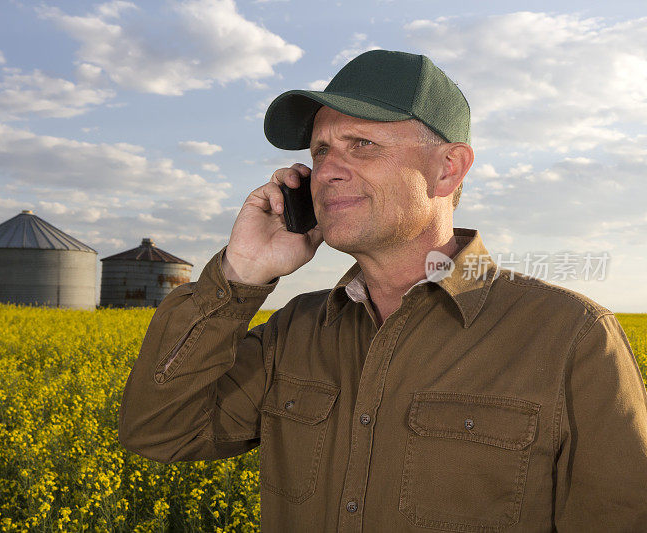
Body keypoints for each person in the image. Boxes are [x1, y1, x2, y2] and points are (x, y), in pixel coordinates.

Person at [118, 50, 647, 531]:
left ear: (447, 170)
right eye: (320, 150)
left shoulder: (572, 339)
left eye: (362, 145)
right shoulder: (294, 331)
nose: (327, 172)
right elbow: (160, 431)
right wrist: (240, 275)